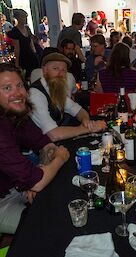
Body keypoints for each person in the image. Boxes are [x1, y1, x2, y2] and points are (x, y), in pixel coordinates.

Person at [0, 63, 70, 234]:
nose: (17, 93)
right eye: (7, 88)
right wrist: (60, 158)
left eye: (19, 85)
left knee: (65, 202)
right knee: (50, 227)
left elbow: (44, 143)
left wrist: (38, 174)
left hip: (15, 187)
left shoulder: (14, 115)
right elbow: (38, 181)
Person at [29, 53, 106, 142]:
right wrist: (87, 129)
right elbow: (53, 134)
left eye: (64, 70)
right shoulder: (35, 94)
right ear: (44, 70)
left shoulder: (55, 89)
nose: (60, 74)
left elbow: (78, 110)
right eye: (55, 68)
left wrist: (86, 121)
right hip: (36, 152)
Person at [8, 9, 39, 80]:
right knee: (26, 76)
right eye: (22, 17)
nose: (24, 19)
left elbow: (31, 43)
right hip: (22, 57)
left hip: (30, 55)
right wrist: (17, 63)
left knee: (35, 75)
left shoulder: (27, 28)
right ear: (17, 18)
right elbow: (17, 48)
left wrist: (35, 53)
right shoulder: (15, 30)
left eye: (25, 17)